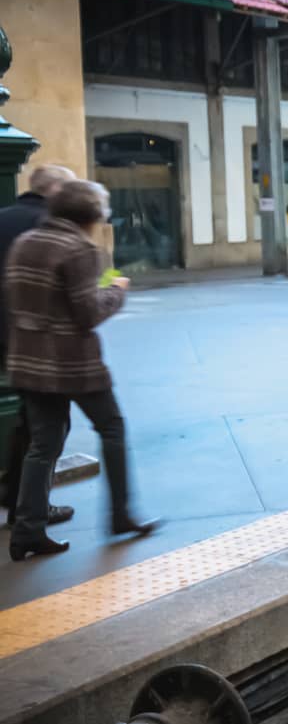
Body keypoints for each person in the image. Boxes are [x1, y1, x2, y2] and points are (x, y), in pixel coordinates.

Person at [6, 180, 157, 561]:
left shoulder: (25, 243)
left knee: (42, 445)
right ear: (90, 216)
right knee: (111, 428)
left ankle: (27, 531)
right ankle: (121, 515)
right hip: (72, 361)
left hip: (28, 359)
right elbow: (88, 313)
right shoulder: (79, 249)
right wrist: (117, 290)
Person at [0, 165, 76, 528]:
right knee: (49, 428)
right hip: (38, 341)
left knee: (29, 422)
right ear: (57, 190)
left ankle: (16, 496)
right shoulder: (50, 228)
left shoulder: (4, 218)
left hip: (7, 339)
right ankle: (29, 511)